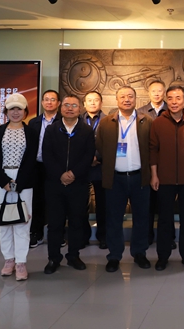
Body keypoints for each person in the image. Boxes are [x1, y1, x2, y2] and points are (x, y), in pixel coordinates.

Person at [96, 86, 153, 273]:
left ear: (136, 99)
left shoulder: (147, 121)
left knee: (142, 218)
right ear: (117, 99)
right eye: (122, 96)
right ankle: (114, 256)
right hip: (115, 178)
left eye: (130, 96)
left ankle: (139, 253)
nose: (126, 99)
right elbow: (100, 147)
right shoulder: (106, 122)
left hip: (139, 177)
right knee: (113, 219)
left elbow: (153, 148)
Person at [150, 85, 184, 271]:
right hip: (164, 179)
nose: (174, 102)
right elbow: (153, 150)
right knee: (165, 220)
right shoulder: (158, 123)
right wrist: (154, 175)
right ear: (167, 101)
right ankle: (163, 257)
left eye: (178, 98)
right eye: (170, 98)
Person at [41, 95, 96, 274]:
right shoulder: (52, 129)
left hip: (78, 184)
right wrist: (60, 174)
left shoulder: (87, 130)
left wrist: (73, 174)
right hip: (55, 184)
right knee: (55, 223)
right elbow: (47, 155)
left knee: (77, 222)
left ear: (80, 109)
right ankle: (53, 258)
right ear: (61, 108)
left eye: (74, 105)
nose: (70, 108)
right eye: (66, 105)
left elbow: (88, 156)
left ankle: (73, 256)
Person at [0, 93, 37, 281]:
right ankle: (9, 260)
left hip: (24, 181)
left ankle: (21, 262)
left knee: (23, 222)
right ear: (6, 112)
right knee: (4, 222)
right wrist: (4, 182)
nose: (15, 113)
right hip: (0, 181)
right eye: (12, 109)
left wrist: (18, 184)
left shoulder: (31, 133)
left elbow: (31, 161)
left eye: (19, 109)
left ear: (25, 111)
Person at [27, 89, 61, 248]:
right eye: (46, 99)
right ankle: (37, 233)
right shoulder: (33, 122)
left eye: (53, 99)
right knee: (36, 201)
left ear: (58, 103)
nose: (49, 102)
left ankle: (57, 235)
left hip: (56, 167)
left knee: (56, 202)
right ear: (42, 102)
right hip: (37, 167)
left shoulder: (63, 121)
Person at [138, 79, 168, 246]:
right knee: (147, 205)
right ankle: (147, 236)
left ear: (164, 92)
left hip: (167, 164)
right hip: (146, 164)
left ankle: (167, 238)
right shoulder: (140, 112)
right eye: (153, 91)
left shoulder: (171, 110)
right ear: (148, 93)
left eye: (160, 90)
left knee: (166, 205)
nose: (157, 94)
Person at [81, 90, 107, 249]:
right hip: (81, 169)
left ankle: (103, 236)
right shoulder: (77, 120)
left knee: (102, 205)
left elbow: (111, 143)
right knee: (81, 204)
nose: (92, 103)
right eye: (89, 100)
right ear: (84, 104)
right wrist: (87, 159)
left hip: (101, 168)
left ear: (101, 103)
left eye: (96, 100)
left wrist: (97, 157)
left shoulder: (109, 120)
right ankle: (83, 236)